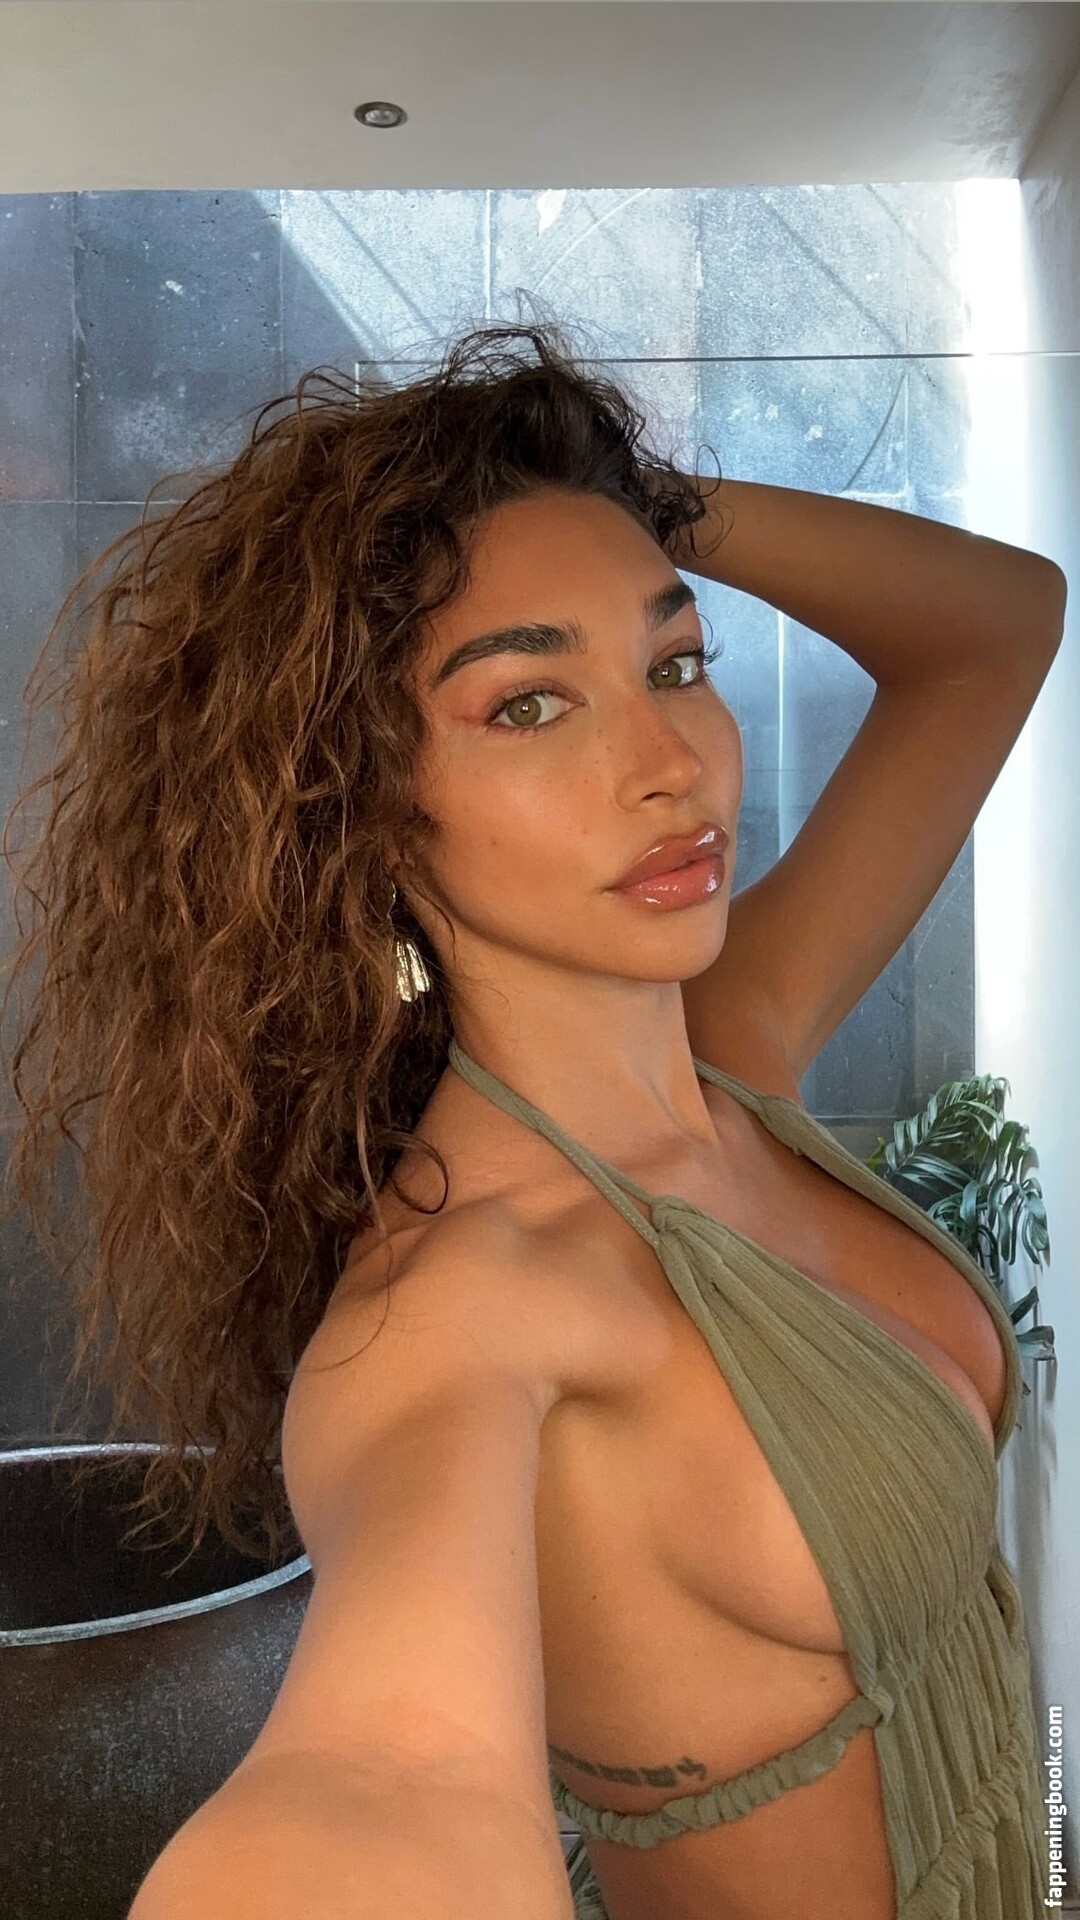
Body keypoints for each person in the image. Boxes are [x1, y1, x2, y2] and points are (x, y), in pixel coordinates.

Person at [1, 318, 1064, 1920]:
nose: (672, 764)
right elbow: (389, 1779)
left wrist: (614, 495)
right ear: (360, 813)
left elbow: (1001, 623)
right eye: (527, 706)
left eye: (673, 663)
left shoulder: (734, 1049)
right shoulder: (460, 1312)